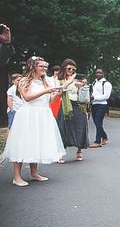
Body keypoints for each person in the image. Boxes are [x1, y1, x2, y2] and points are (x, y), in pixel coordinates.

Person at [3, 56, 66, 186]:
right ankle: (17, 177)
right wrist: (46, 91)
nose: (44, 68)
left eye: (45, 66)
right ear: (33, 67)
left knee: (36, 142)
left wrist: (58, 93)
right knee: (22, 142)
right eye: (41, 66)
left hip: (42, 114)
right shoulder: (24, 80)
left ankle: (34, 173)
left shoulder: (45, 82)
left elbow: (49, 101)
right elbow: (27, 97)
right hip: (28, 114)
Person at [56, 59, 89, 163]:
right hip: (66, 105)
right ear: (64, 68)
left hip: (78, 105)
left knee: (80, 127)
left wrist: (82, 86)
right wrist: (69, 82)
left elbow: (84, 96)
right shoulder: (59, 79)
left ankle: (79, 150)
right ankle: (61, 153)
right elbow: (59, 91)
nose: (71, 70)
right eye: (69, 68)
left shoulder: (78, 79)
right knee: (64, 128)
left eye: (73, 69)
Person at [90, 69, 112, 148]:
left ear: (103, 74)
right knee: (96, 123)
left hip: (102, 105)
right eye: (96, 73)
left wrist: (94, 98)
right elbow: (93, 93)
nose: (98, 74)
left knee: (98, 122)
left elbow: (106, 96)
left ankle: (98, 141)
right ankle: (105, 137)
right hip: (94, 104)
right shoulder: (94, 82)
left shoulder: (107, 84)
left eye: (100, 73)